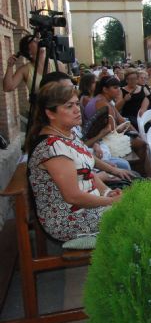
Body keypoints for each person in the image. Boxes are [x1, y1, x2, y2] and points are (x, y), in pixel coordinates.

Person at [26, 82, 122, 242]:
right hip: (69, 220)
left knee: (140, 205)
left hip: (85, 208)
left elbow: (87, 173)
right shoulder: (52, 148)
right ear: (50, 113)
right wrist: (111, 201)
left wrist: (107, 192)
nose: (77, 110)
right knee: (139, 215)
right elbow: (73, 197)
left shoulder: (68, 135)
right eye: (69, 106)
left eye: (77, 104)